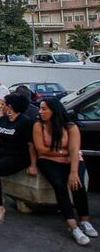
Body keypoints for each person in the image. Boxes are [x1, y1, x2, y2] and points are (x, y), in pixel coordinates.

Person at [33, 98, 97, 246]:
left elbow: (75, 151)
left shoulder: (70, 127)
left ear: (54, 110)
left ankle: (85, 221)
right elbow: (41, 149)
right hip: (47, 161)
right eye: (40, 108)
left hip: (72, 160)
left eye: (44, 109)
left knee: (78, 185)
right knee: (59, 185)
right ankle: (73, 226)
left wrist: (73, 172)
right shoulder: (38, 125)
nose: (40, 112)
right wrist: (64, 151)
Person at [0, 93, 37, 225]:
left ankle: (0, 207)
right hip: (2, 153)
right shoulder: (3, 119)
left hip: (18, 156)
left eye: (3, 104)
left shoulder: (25, 122)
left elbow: (31, 145)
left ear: (10, 107)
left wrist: (33, 165)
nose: (1, 106)